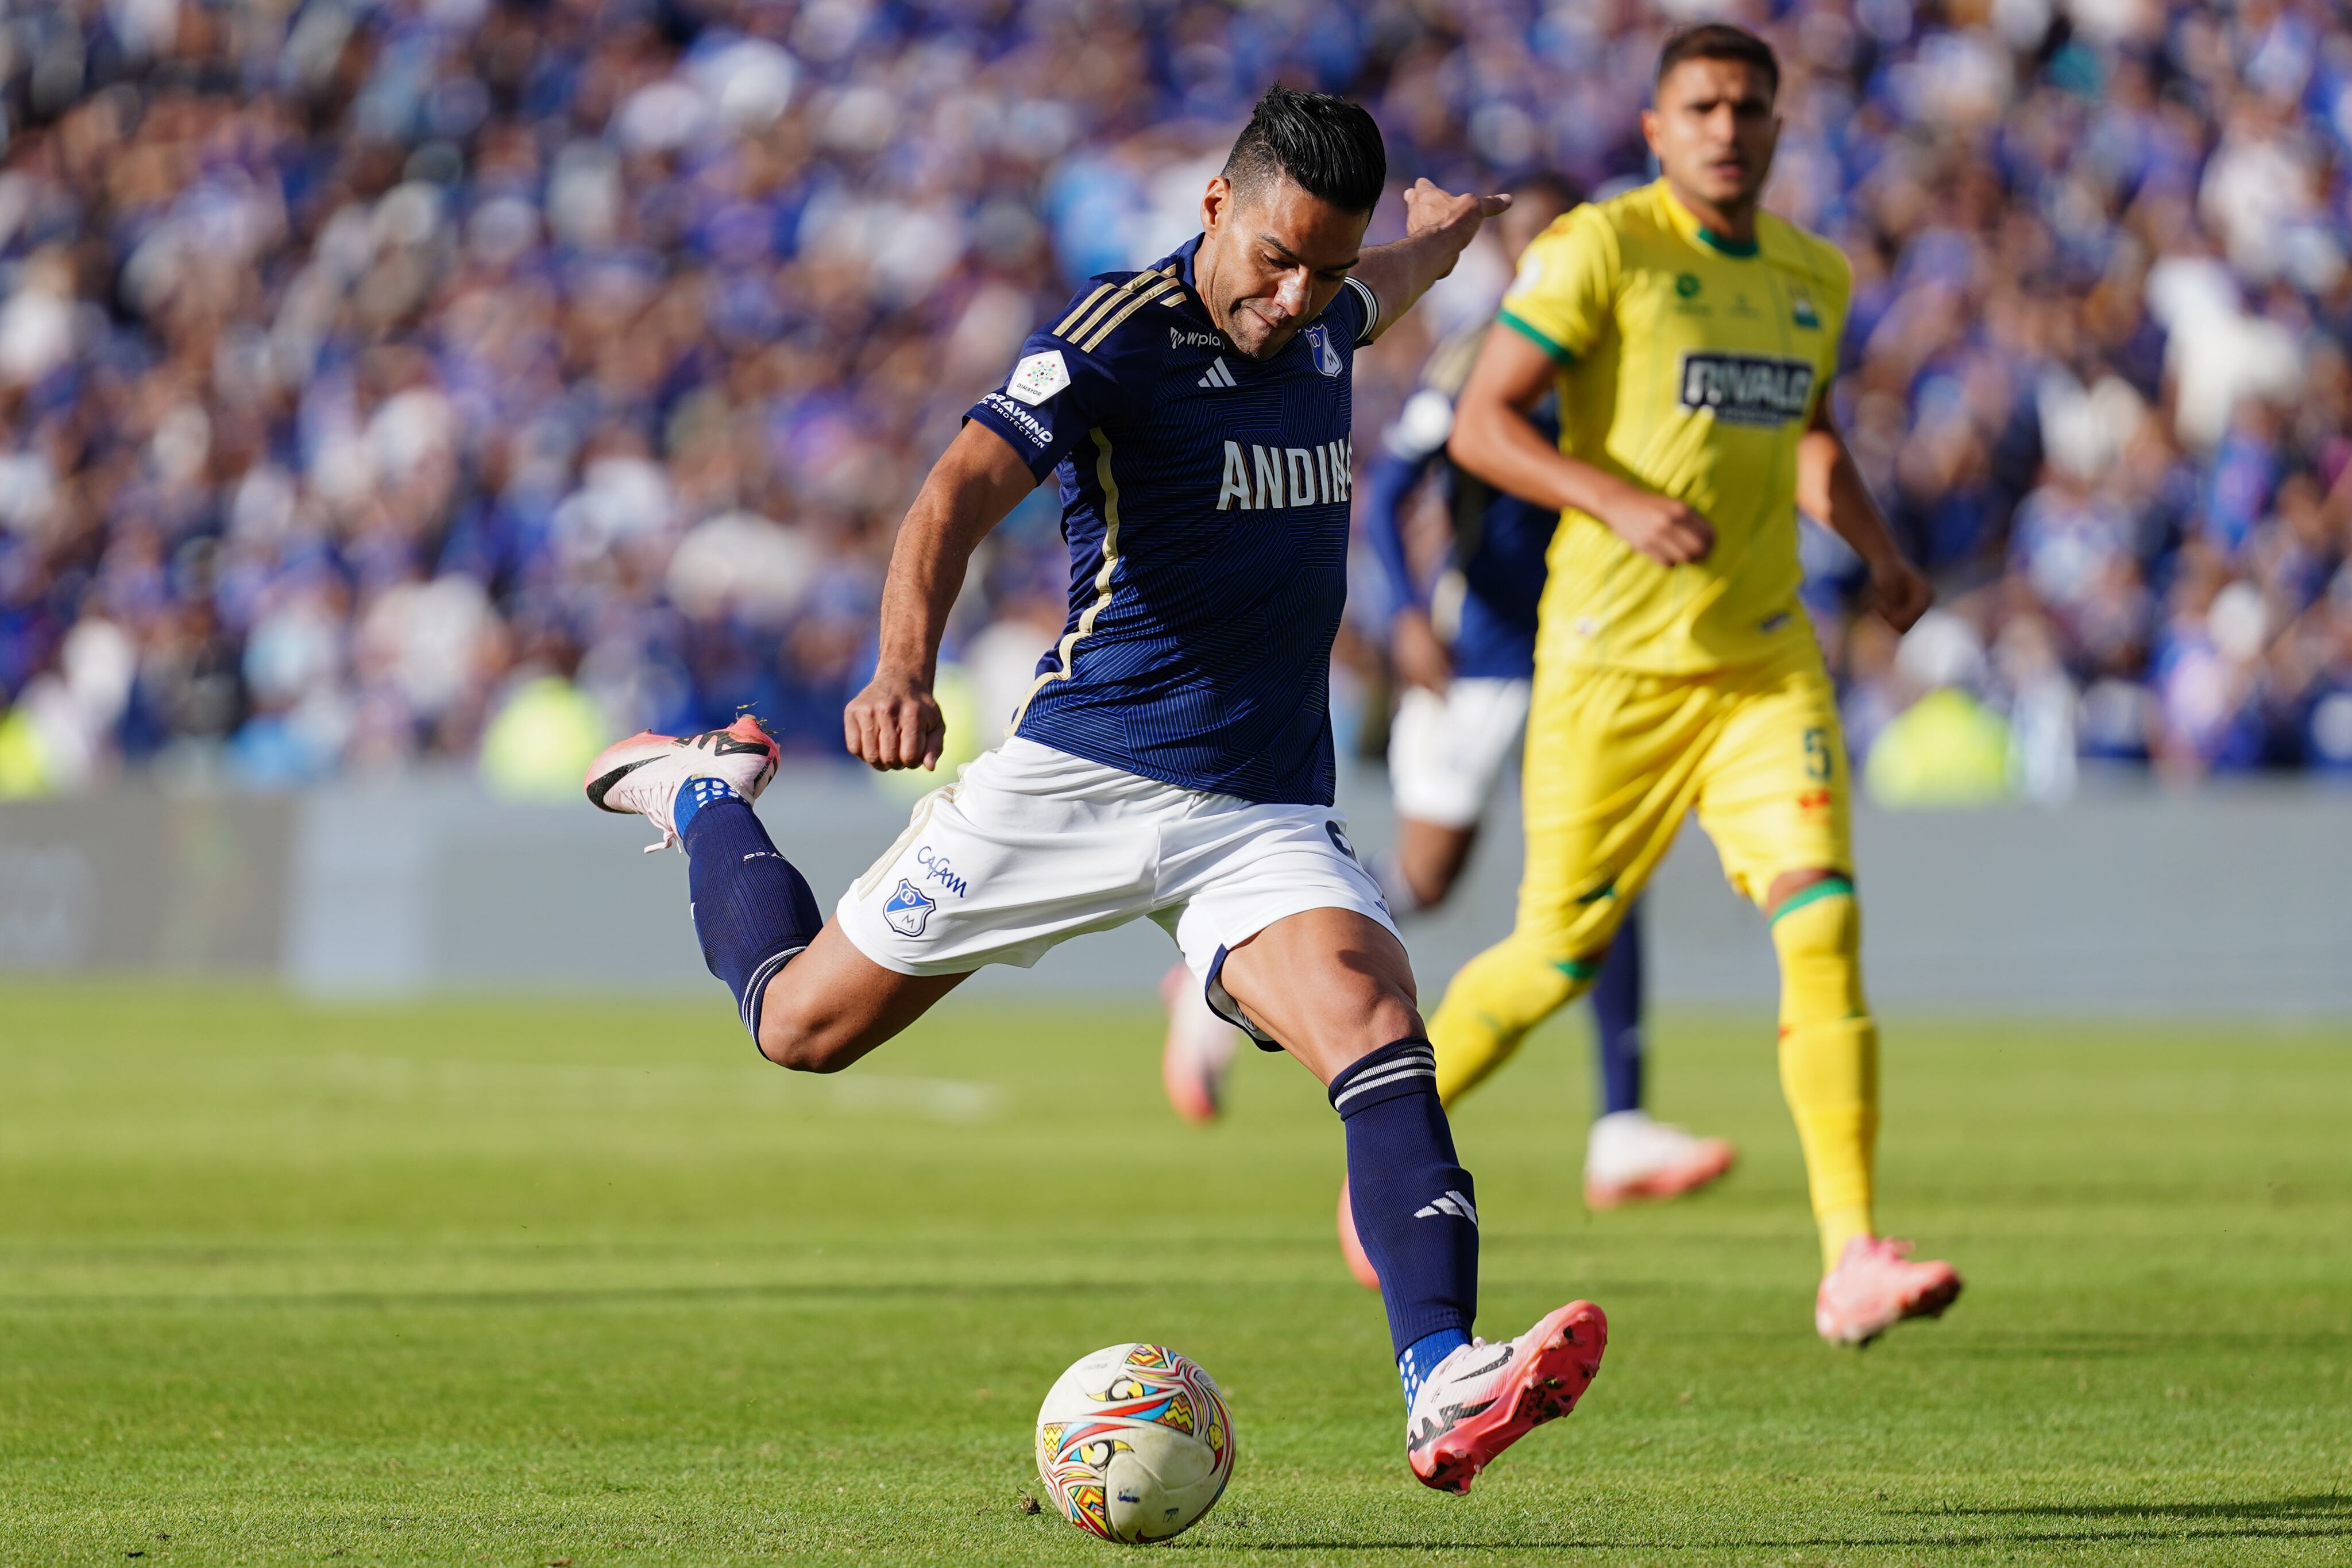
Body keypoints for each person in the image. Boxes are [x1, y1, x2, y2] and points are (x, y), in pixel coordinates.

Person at [584, 88, 1605, 1493]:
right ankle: (705, 797)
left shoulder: (1327, 313)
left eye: (1325, 270)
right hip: (1080, 777)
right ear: (1215, 206)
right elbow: (951, 492)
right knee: (800, 1029)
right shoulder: (1117, 335)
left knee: (1375, 1026)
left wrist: (1443, 231)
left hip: (1256, 808)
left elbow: (1392, 274)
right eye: (1275, 260)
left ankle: (1440, 1374)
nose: (1294, 299)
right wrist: (901, 668)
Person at [1415, 25, 1963, 1347]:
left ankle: (1850, 1257)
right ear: (1656, 129)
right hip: (1608, 668)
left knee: (1820, 917)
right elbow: (1483, 423)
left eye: (1747, 107)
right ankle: (1389, 1146)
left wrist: (1880, 552)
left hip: (1760, 662)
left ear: (1774, 128)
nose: (1726, 127)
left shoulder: (1811, 275)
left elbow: (1807, 434)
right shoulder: (1597, 249)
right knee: (1551, 959)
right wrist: (1610, 497)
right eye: (1701, 106)